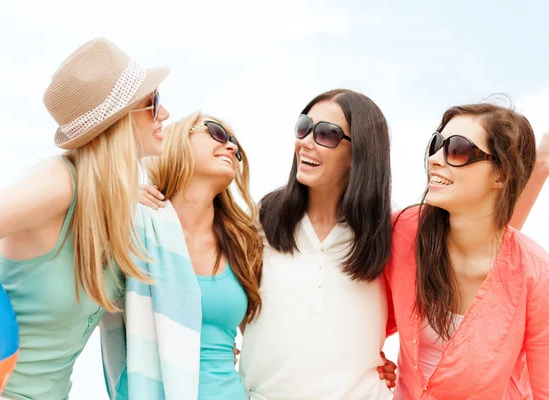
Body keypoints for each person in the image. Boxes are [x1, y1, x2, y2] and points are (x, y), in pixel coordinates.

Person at [0, 37, 171, 400]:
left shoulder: (110, 202)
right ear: (118, 120)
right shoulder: (54, 186)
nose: (164, 114)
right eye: (153, 102)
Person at [139, 89, 399, 398]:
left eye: (326, 134)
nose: (305, 141)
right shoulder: (263, 222)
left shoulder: (388, 234)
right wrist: (127, 194)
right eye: (304, 128)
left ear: (362, 152)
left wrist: (381, 361)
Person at [387, 103, 549, 398]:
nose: (435, 159)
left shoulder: (536, 274)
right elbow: (361, 308)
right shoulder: (403, 232)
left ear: (500, 176)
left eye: (458, 149)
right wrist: (367, 360)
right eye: (436, 145)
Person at [101, 112, 262, 399]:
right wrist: (113, 197)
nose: (233, 148)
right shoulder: (134, 226)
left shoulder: (243, 243)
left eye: (234, 143)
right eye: (218, 133)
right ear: (177, 141)